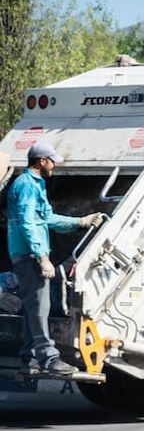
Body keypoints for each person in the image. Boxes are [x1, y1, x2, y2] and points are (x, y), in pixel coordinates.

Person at [6, 142, 104, 375]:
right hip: (30, 255)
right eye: (52, 161)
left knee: (35, 307)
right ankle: (49, 358)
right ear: (42, 161)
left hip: (28, 253)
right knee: (40, 307)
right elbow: (28, 223)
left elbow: (46, 218)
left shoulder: (33, 185)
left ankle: (30, 356)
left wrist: (79, 222)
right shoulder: (27, 185)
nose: (55, 166)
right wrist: (41, 257)